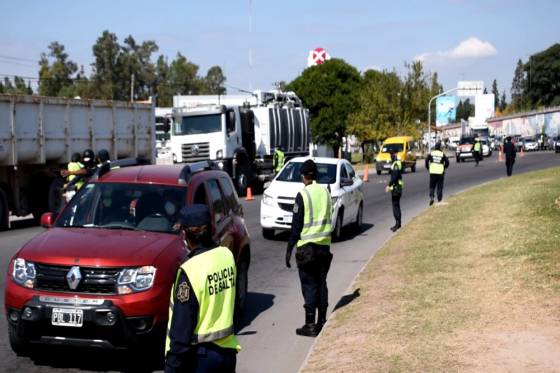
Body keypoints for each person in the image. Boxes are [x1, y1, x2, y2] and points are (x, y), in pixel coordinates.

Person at [165, 204, 240, 373]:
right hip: (228, 352)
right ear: (211, 228)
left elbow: (182, 329)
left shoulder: (190, 270)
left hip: (201, 360)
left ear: (185, 234)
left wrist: (172, 366)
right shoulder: (226, 256)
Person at [285, 159, 333, 337]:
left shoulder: (303, 195)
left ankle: (310, 325)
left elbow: (296, 227)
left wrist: (289, 248)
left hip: (307, 249)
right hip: (324, 247)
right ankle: (322, 320)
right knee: (322, 283)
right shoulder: (326, 192)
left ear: (304, 176)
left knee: (309, 285)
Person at [385, 152, 403, 232]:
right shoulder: (397, 163)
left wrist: (389, 185)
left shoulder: (395, 164)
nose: (391, 157)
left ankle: (397, 224)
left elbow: (395, 177)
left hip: (396, 188)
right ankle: (398, 223)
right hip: (396, 187)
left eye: (391, 156)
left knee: (395, 206)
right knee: (396, 205)